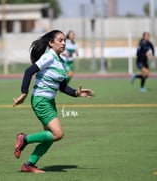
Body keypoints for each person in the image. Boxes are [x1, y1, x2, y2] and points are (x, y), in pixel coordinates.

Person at [13, 30, 94, 173]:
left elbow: (62, 87)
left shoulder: (60, 62)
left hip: (49, 101)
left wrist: (77, 93)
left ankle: (29, 164)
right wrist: (24, 93)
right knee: (58, 134)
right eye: (60, 40)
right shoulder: (49, 57)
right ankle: (24, 139)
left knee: (50, 137)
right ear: (51, 43)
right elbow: (28, 71)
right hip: (41, 100)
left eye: (65, 41)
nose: (63, 43)